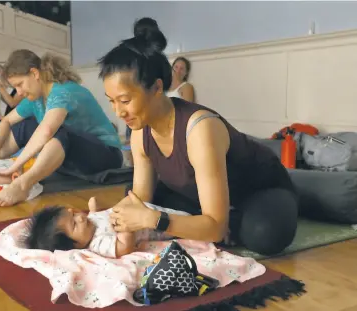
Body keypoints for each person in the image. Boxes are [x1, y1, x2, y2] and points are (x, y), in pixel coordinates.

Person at [96, 17, 298, 256]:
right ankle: (220, 221)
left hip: (258, 190)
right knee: (134, 197)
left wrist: (155, 219)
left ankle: (237, 217)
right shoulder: (140, 131)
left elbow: (210, 227)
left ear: (157, 87)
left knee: (264, 234)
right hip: (205, 198)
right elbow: (142, 197)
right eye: (112, 102)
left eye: (125, 101)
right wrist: (100, 220)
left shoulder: (200, 129)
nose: (119, 112)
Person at [0, 50, 123, 206]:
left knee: (56, 130)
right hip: (76, 161)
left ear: (35, 73)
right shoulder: (36, 98)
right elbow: (6, 122)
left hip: (106, 157)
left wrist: (17, 166)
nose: (19, 92)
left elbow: (47, 131)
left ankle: (22, 185)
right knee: (27, 124)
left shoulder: (62, 92)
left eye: (19, 84)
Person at [25, 196, 190, 258]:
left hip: (147, 208)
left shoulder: (87, 224)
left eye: (74, 214)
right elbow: (124, 248)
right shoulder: (97, 243)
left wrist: (93, 210)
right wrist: (126, 227)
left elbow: (95, 217)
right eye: (74, 224)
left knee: (178, 210)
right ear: (75, 246)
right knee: (183, 219)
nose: (81, 218)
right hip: (157, 226)